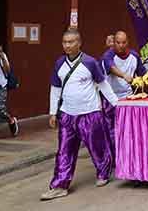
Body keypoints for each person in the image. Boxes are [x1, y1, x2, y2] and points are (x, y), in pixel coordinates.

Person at [41, 29, 119, 201]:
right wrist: (53, 112)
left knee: (97, 147)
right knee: (64, 151)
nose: (67, 45)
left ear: (79, 43)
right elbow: (55, 88)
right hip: (67, 114)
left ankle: (103, 172)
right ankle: (60, 185)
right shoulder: (59, 64)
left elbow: (103, 84)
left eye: (71, 42)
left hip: (90, 112)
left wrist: (116, 104)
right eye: (64, 42)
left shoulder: (90, 62)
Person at [100, 30, 147, 165]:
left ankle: (130, 157)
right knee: (112, 131)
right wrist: (124, 75)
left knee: (130, 129)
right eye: (118, 42)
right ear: (114, 43)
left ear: (128, 42)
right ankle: (115, 159)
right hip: (111, 99)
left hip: (128, 97)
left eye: (123, 42)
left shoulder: (134, 56)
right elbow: (111, 67)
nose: (121, 45)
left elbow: (142, 73)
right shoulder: (108, 55)